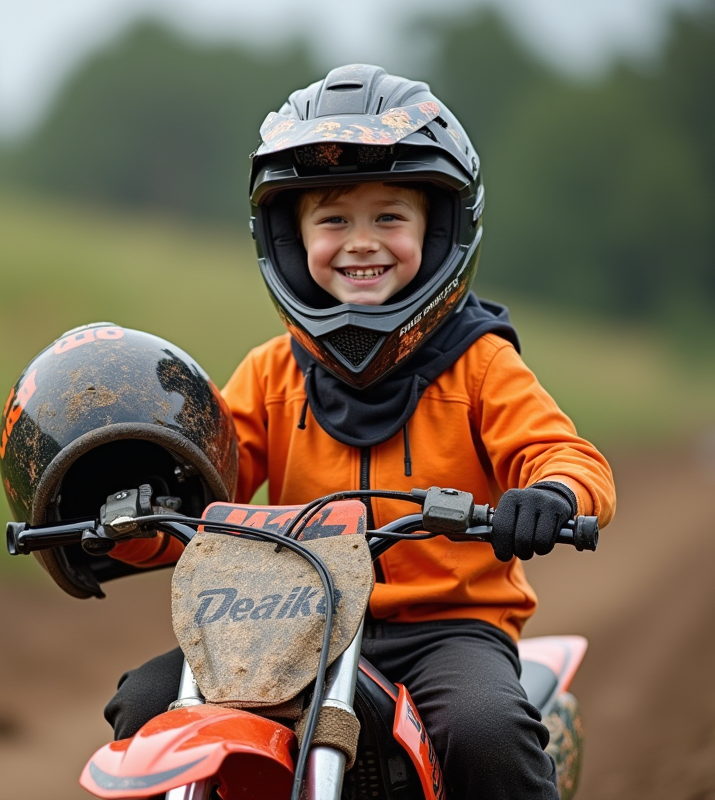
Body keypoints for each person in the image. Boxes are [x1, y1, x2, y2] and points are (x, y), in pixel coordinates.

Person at [104, 64, 617, 799]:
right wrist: (127, 516)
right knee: (148, 703)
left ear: (440, 228)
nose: (361, 242)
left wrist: (555, 496)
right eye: (333, 219)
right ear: (290, 236)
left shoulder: (481, 365)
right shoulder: (270, 373)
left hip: (447, 630)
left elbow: (563, 453)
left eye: (390, 216)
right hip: (288, 624)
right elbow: (204, 482)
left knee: (486, 732)